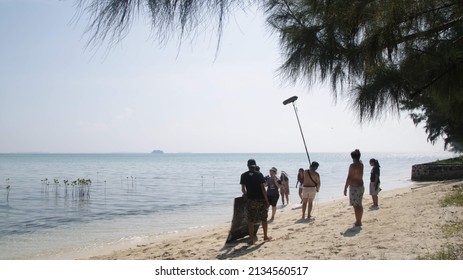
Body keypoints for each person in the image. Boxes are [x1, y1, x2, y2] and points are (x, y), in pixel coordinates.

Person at [240, 159, 271, 245]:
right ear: (255, 165)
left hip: (250, 200)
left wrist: (246, 194)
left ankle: (251, 240)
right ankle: (265, 236)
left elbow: (243, 189)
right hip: (260, 200)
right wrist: (267, 201)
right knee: (264, 219)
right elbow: (263, 189)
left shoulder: (243, 175)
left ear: (247, 165)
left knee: (251, 221)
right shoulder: (259, 174)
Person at [344, 149, 364, 227]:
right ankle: (359, 220)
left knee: (356, 206)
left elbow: (349, 177)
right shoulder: (361, 164)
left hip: (354, 187)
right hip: (361, 186)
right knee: (359, 204)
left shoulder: (353, 165)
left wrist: (345, 187)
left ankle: (358, 221)